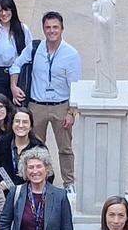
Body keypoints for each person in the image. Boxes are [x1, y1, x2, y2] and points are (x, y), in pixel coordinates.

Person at [11, 11, 81, 190]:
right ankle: (37, 180)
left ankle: (69, 182)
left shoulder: (71, 54)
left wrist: (72, 112)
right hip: (37, 105)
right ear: (43, 29)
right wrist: (14, 86)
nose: (51, 31)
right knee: (34, 147)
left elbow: (75, 86)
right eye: (48, 27)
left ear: (62, 29)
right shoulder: (35, 48)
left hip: (61, 106)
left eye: (55, 27)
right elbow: (16, 65)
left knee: (65, 147)